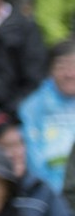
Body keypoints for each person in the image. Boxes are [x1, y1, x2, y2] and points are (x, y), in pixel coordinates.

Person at [19, 39, 75, 189]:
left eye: (73, 65)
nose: (69, 73)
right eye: (61, 66)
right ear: (50, 70)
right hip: (48, 190)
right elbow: (32, 156)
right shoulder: (32, 107)